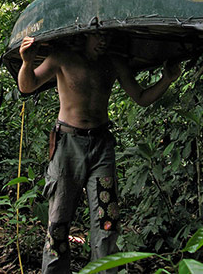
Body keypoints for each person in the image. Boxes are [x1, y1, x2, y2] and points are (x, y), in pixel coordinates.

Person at [18, 31, 181, 274]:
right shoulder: (63, 57)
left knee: (108, 221)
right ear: (85, 34)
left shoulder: (114, 62)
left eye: (107, 36)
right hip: (67, 147)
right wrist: (27, 62)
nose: (103, 41)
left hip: (101, 146)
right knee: (59, 221)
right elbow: (27, 85)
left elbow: (141, 97)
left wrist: (167, 79)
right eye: (98, 35)